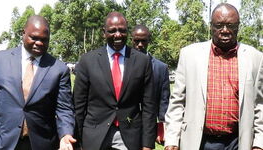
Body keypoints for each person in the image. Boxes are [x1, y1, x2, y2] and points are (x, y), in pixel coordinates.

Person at [0, 15, 76, 150]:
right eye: (34, 38)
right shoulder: (0, 60)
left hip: (40, 144)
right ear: (23, 34)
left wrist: (65, 134)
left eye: (44, 40)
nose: (39, 43)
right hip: (1, 142)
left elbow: (64, 109)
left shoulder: (59, 69)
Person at [164, 3, 263, 150]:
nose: (225, 31)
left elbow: (259, 105)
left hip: (238, 142)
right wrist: (172, 139)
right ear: (211, 26)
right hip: (199, 141)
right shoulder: (189, 55)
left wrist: (259, 143)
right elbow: (177, 101)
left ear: (238, 26)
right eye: (219, 25)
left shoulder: (255, 58)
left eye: (231, 25)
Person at [73, 12, 157, 150]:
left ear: (127, 31)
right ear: (103, 32)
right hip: (94, 136)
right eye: (112, 31)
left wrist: (147, 144)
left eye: (122, 30)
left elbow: (149, 106)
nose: (117, 35)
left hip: (130, 137)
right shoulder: (87, 61)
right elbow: (79, 105)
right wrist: (78, 141)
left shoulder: (142, 61)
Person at [131, 25, 170, 144]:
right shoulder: (123, 64)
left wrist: (161, 127)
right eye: (137, 41)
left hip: (150, 125)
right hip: (127, 124)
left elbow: (164, 100)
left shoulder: (161, 68)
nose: (140, 45)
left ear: (149, 41)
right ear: (131, 40)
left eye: (144, 41)